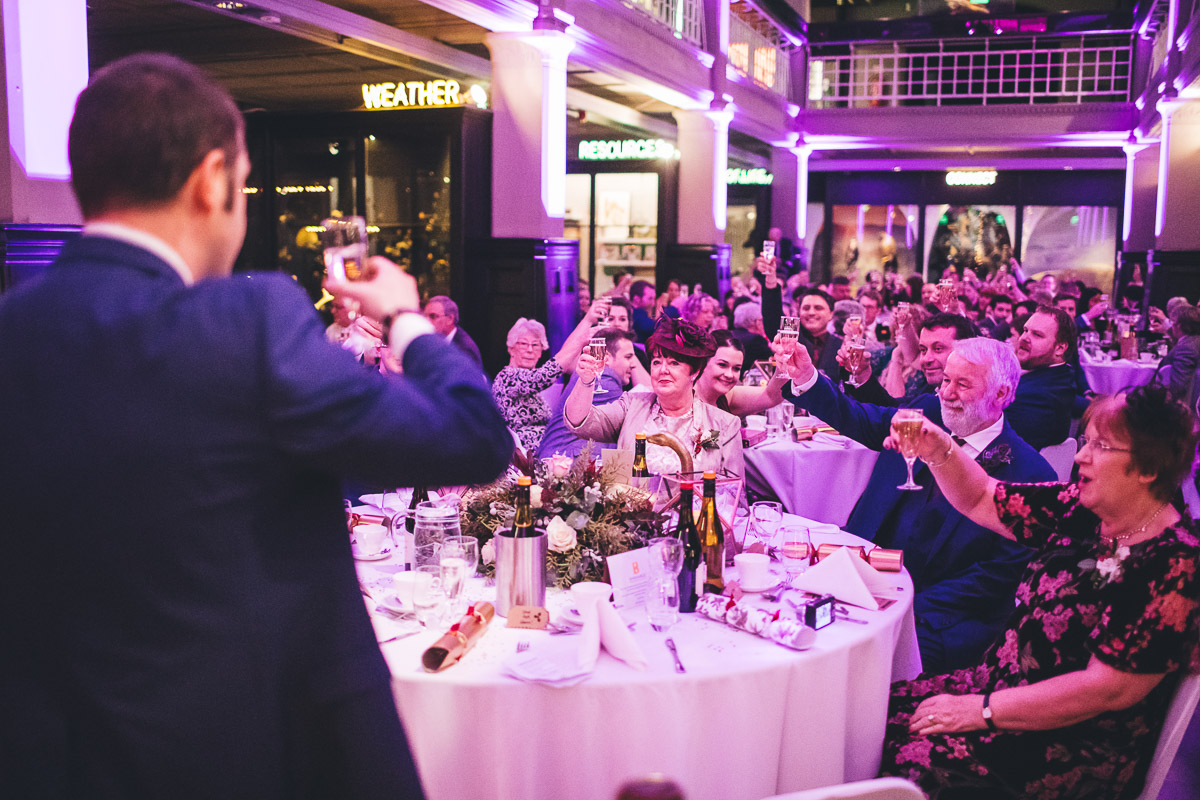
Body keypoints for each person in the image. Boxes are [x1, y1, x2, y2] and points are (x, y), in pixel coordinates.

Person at [0, 53, 514, 799]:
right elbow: (474, 438)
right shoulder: (248, 324)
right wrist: (403, 317)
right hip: (255, 754)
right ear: (212, 181)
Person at [879, 385, 1200, 800]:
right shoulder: (1086, 511)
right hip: (994, 687)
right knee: (869, 707)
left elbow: (1106, 688)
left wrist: (981, 711)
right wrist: (938, 448)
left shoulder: (1174, 564)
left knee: (907, 759)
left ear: (1148, 468)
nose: (1081, 456)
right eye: (1086, 442)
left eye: (1102, 446)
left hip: (1064, 743)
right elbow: (981, 497)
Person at [777, 336, 1056, 672]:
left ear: (1002, 394)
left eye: (962, 384)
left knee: (857, 666)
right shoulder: (927, 413)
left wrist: (901, 606)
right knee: (789, 632)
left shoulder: (1030, 475)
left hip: (939, 617)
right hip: (859, 577)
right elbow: (862, 418)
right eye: (947, 381)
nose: (947, 394)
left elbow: (995, 577)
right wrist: (808, 377)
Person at [564, 317, 744, 479]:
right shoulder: (632, 406)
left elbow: (732, 491)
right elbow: (580, 422)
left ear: (695, 372)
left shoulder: (724, 424)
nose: (662, 370)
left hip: (692, 513)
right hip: (633, 512)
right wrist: (586, 381)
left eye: (674, 363)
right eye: (657, 362)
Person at [492, 296, 611, 454]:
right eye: (523, 344)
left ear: (542, 351)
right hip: (522, 459)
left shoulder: (530, 381)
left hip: (550, 453)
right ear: (511, 348)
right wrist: (582, 336)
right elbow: (545, 374)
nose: (530, 350)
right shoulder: (507, 377)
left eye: (536, 345)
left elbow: (564, 363)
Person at [536, 328, 637, 460]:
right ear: (606, 358)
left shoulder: (586, 377)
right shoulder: (606, 379)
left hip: (553, 456)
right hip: (564, 460)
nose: (633, 364)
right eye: (628, 357)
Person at [1009, 306, 1077, 449]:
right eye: (1025, 330)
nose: (1024, 338)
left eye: (1037, 335)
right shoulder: (1060, 376)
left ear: (1060, 348)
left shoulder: (1035, 396)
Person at [694, 330, 790, 416]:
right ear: (703, 362)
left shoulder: (727, 396)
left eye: (736, 368)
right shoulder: (685, 399)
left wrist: (784, 363)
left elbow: (771, 396)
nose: (729, 374)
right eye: (722, 365)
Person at [1153, 303, 1200, 409]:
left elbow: (1178, 387)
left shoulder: (1187, 348)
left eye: (1172, 322)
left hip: (1174, 411)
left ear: (1178, 325)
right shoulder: (1193, 341)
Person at [423, 294, 481, 366]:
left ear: (450, 319)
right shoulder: (432, 341)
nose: (426, 321)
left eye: (433, 316)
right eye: (424, 316)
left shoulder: (464, 350)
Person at [730, 300, 773, 371]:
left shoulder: (729, 335)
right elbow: (770, 364)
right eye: (761, 320)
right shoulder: (756, 340)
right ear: (755, 322)